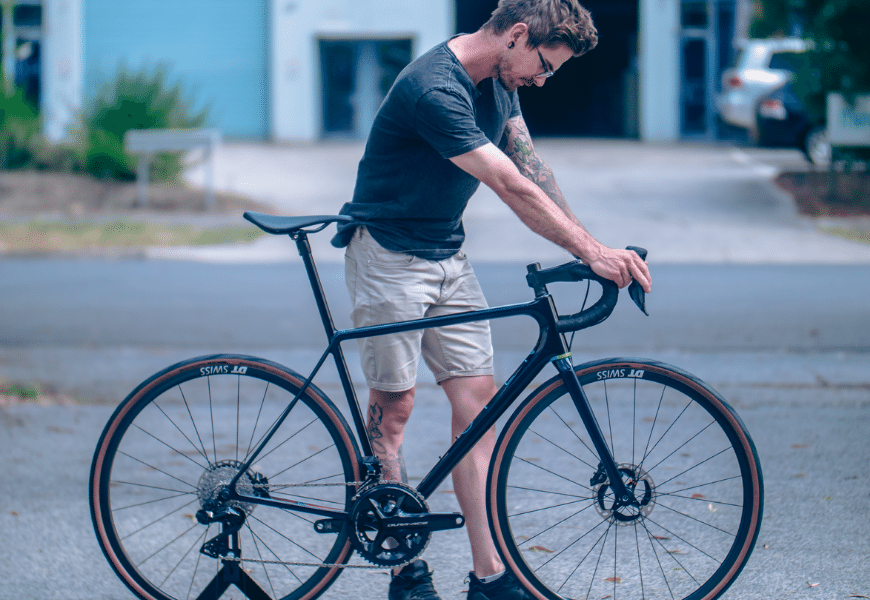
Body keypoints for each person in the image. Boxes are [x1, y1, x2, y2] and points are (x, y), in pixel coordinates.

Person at [330, 1, 652, 598]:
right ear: (518, 36)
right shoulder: (435, 88)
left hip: (446, 254)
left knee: (480, 413)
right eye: (544, 66)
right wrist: (590, 252)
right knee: (393, 410)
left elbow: (530, 167)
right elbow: (505, 183)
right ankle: (402, 567)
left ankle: (491, 576)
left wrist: (592, 246)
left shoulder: (501, 83)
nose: (542, 79)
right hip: (388, 254)